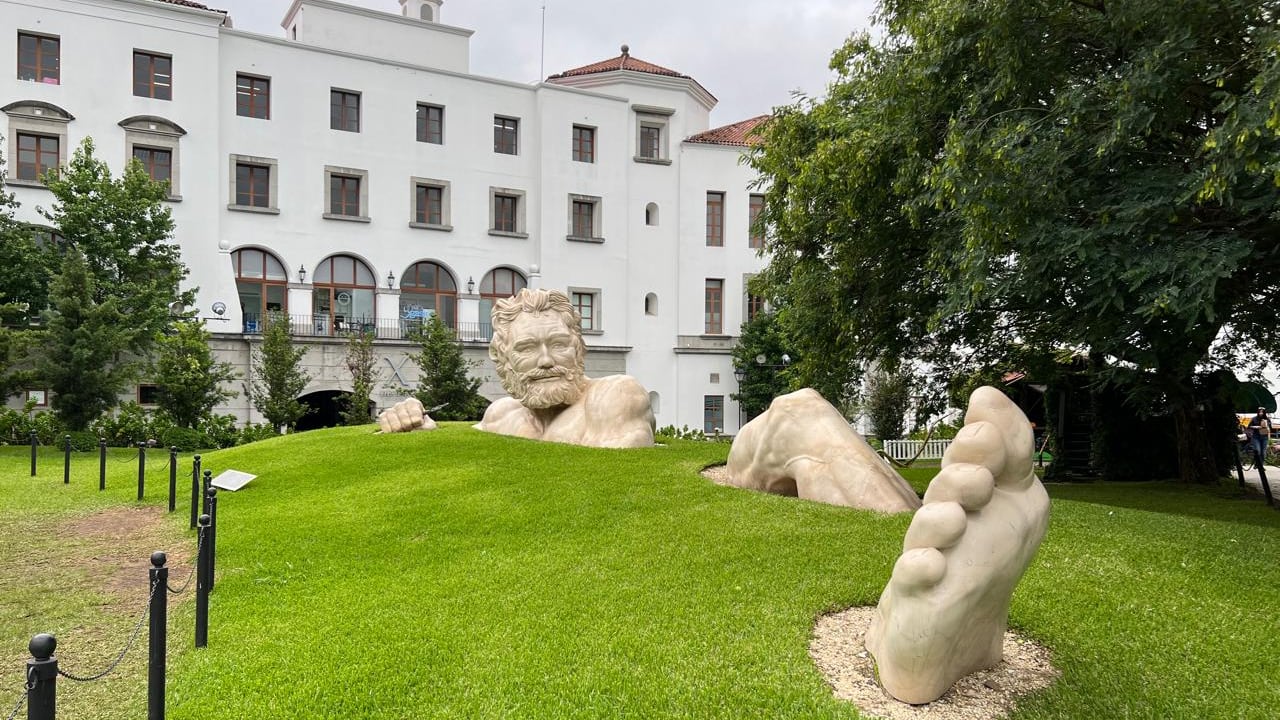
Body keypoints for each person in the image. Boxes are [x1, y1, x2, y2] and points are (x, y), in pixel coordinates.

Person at [379, 288, 655, 448]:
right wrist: (422, 427)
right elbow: (470, 450)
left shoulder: (615, 394)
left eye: (558, 344)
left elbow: (620, 462)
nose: (546, 360)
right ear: (503, 359)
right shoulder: (501, 414)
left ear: (578, 349)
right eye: (527, 348)